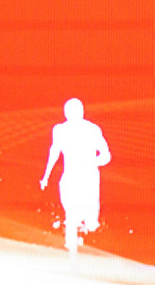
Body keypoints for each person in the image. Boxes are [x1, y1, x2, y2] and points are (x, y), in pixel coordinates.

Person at [40, 98, 111, 253]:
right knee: (71, 211)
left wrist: (92, 161)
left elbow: (106, 155)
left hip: (88, 177)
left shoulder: (92, 130)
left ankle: (87, 231)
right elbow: (54, 152)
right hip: (70, 176)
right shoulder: (60, 130)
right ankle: (71, 242)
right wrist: (46, 176)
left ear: (81, 112)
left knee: (90, 221)